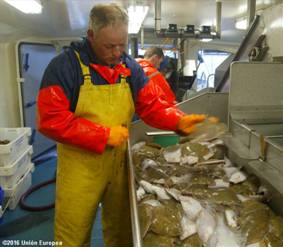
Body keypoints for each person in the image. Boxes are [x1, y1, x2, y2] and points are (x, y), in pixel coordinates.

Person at [36, 3, 205, 247]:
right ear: (91, 35)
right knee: (72, 235)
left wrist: (178, 120)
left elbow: (151, 106)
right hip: (80, 166)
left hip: (119, 161)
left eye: (122, 44)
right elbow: (49, 119)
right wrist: (101, 135)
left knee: (123, 230)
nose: (117, 53)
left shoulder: (129, 68)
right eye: (109, 46)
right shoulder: (65, 66)